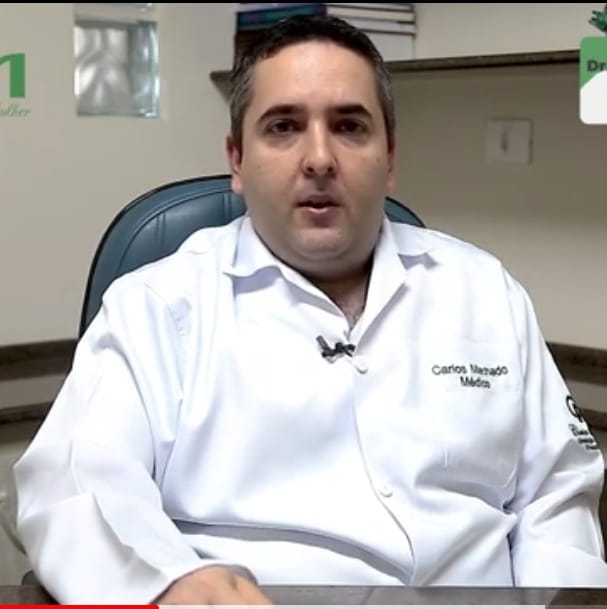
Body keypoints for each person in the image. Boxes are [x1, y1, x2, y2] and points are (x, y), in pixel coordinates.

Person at [13, 13, 607, 605]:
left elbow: (557, 493)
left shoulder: (485, 292)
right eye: (283, 127)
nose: (319, 158)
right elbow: (76, 485)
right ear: (237, 160)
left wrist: (558, 595)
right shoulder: (158, 307)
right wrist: (171, 581)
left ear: (390, 158)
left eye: (349, 126)